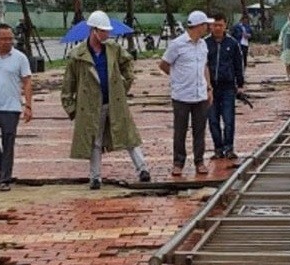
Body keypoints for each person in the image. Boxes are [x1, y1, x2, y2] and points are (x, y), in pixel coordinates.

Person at [61, 10, 150, 190]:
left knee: (128, 136)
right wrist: (71, 108)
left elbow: (128, 64)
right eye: (103, 31)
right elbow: (68, 84)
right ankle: (95, 177)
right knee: (95, 139)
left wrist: (124, 85)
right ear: (94, 30)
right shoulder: (77, 55)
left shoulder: (113, 49)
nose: (107, 34)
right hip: (92, 105)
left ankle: (142, 169)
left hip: (114, 100)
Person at [159, 10, 214, 176]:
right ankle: (178, 162)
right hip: (181, 96)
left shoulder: (203, 45)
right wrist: (177, 78)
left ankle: (199, 161)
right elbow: (164, 64)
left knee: (200, 130)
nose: (208, 27)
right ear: (198, 26)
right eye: (206, 24)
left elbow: (204, 67)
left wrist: (209, 88)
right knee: (180, 131)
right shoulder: (177, 44)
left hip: (200, 96)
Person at [0, 23, 33, 192]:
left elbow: (27, 81)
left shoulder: (20, 58)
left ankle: (5, 179)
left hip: (11, 108)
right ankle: (1, 167)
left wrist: (28, 105)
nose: (8, 42)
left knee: (8, 142)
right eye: (4, 39)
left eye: (10, 38)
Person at [206, 12, 244, 160]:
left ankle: (229, 148)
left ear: (225, 25)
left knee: (229, 119)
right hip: (210, 88)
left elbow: (238, 65)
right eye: (215, 25)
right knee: (213, 120)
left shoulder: (232, 43)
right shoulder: (205, 44)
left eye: (220, 25)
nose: (217, 28)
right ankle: (218, 148)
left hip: (228, 87)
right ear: (210, 26)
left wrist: (240, 84)